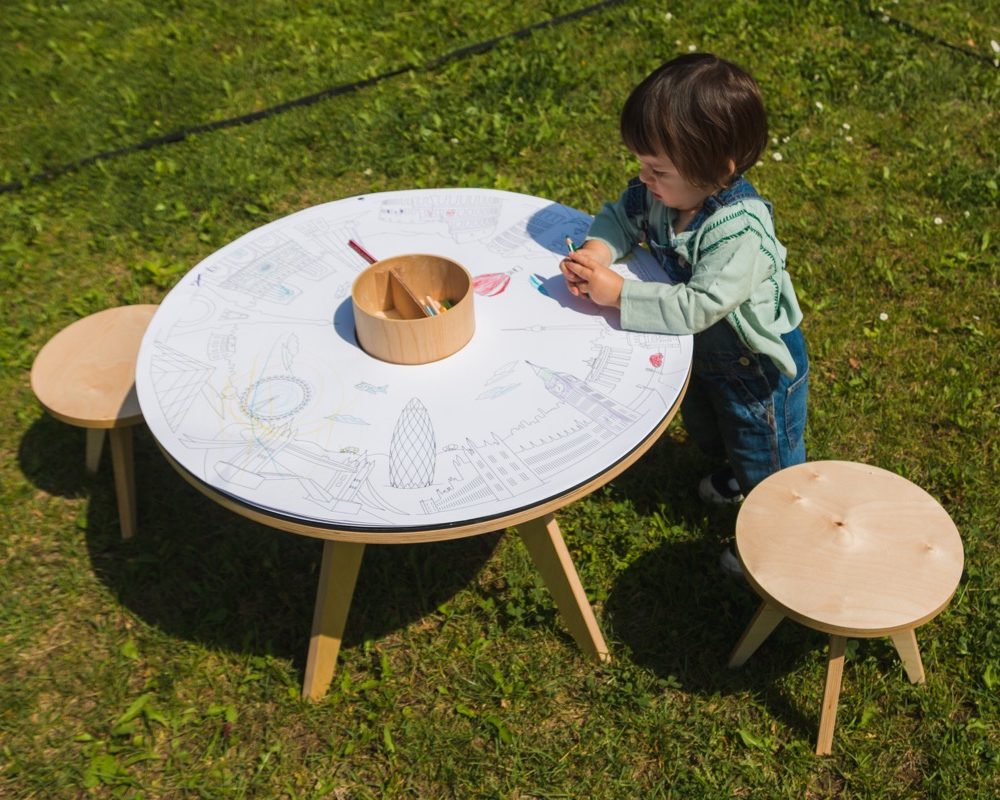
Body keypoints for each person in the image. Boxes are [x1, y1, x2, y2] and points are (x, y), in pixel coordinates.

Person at [560, 53, 808, 571]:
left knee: (765, 446)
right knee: (711, 427)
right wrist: (598, 253)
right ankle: (738, 474)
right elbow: (619, 218)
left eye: (657, 170)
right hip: (709, 359)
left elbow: (699, 305)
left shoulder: (740, 231)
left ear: (719, 170)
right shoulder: (663, 196)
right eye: (641, 165)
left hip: (754, 368)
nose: (644, 179)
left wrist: (617, 295)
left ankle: (776, 536)